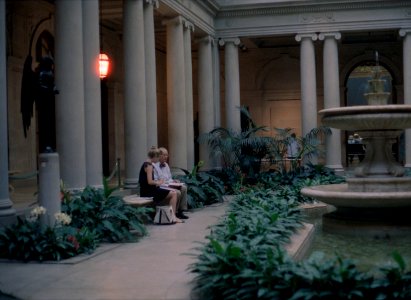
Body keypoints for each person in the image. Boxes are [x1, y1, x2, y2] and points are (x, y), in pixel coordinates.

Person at [138, 147, 183, 223]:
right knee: (174, 194)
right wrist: (159, 182)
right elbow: (150, 182)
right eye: (158, 158)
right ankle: (173, 217)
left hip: (148, 190)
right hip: (148, 192)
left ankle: (171, 216)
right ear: (154, 156)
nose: (158, 160)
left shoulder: (146, 164)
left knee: (173, 192)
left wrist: (159, 182)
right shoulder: (149, 165)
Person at [153, 147, 189, 220]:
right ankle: (174, 213)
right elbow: (156, 182)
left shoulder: (166, 165)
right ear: (159, 156)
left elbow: (169, 178)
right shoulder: (154, 166)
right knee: (177, 192)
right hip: (162, 187)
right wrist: (168, 183)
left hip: (169, 185)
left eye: (167, 155)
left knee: (184, 187)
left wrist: (174, 181)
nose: (166, 157)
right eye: (164, 155)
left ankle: (181, 211)